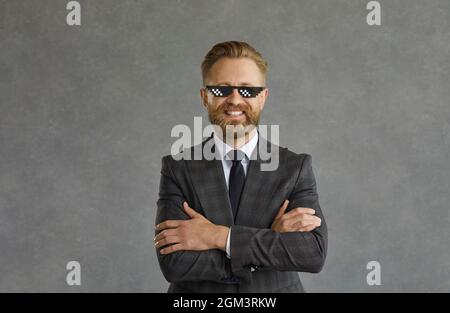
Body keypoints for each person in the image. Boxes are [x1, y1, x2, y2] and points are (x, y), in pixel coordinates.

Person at [154, 41, 327, 292]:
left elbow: (312, 254)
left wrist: (218, 236)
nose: (235, 99)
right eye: (222, 89)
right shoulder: (177, 169)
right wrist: (270, 241)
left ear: (263, 97)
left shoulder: (295, 168)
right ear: (205, 97)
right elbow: (174, 263)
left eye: (247, 90)